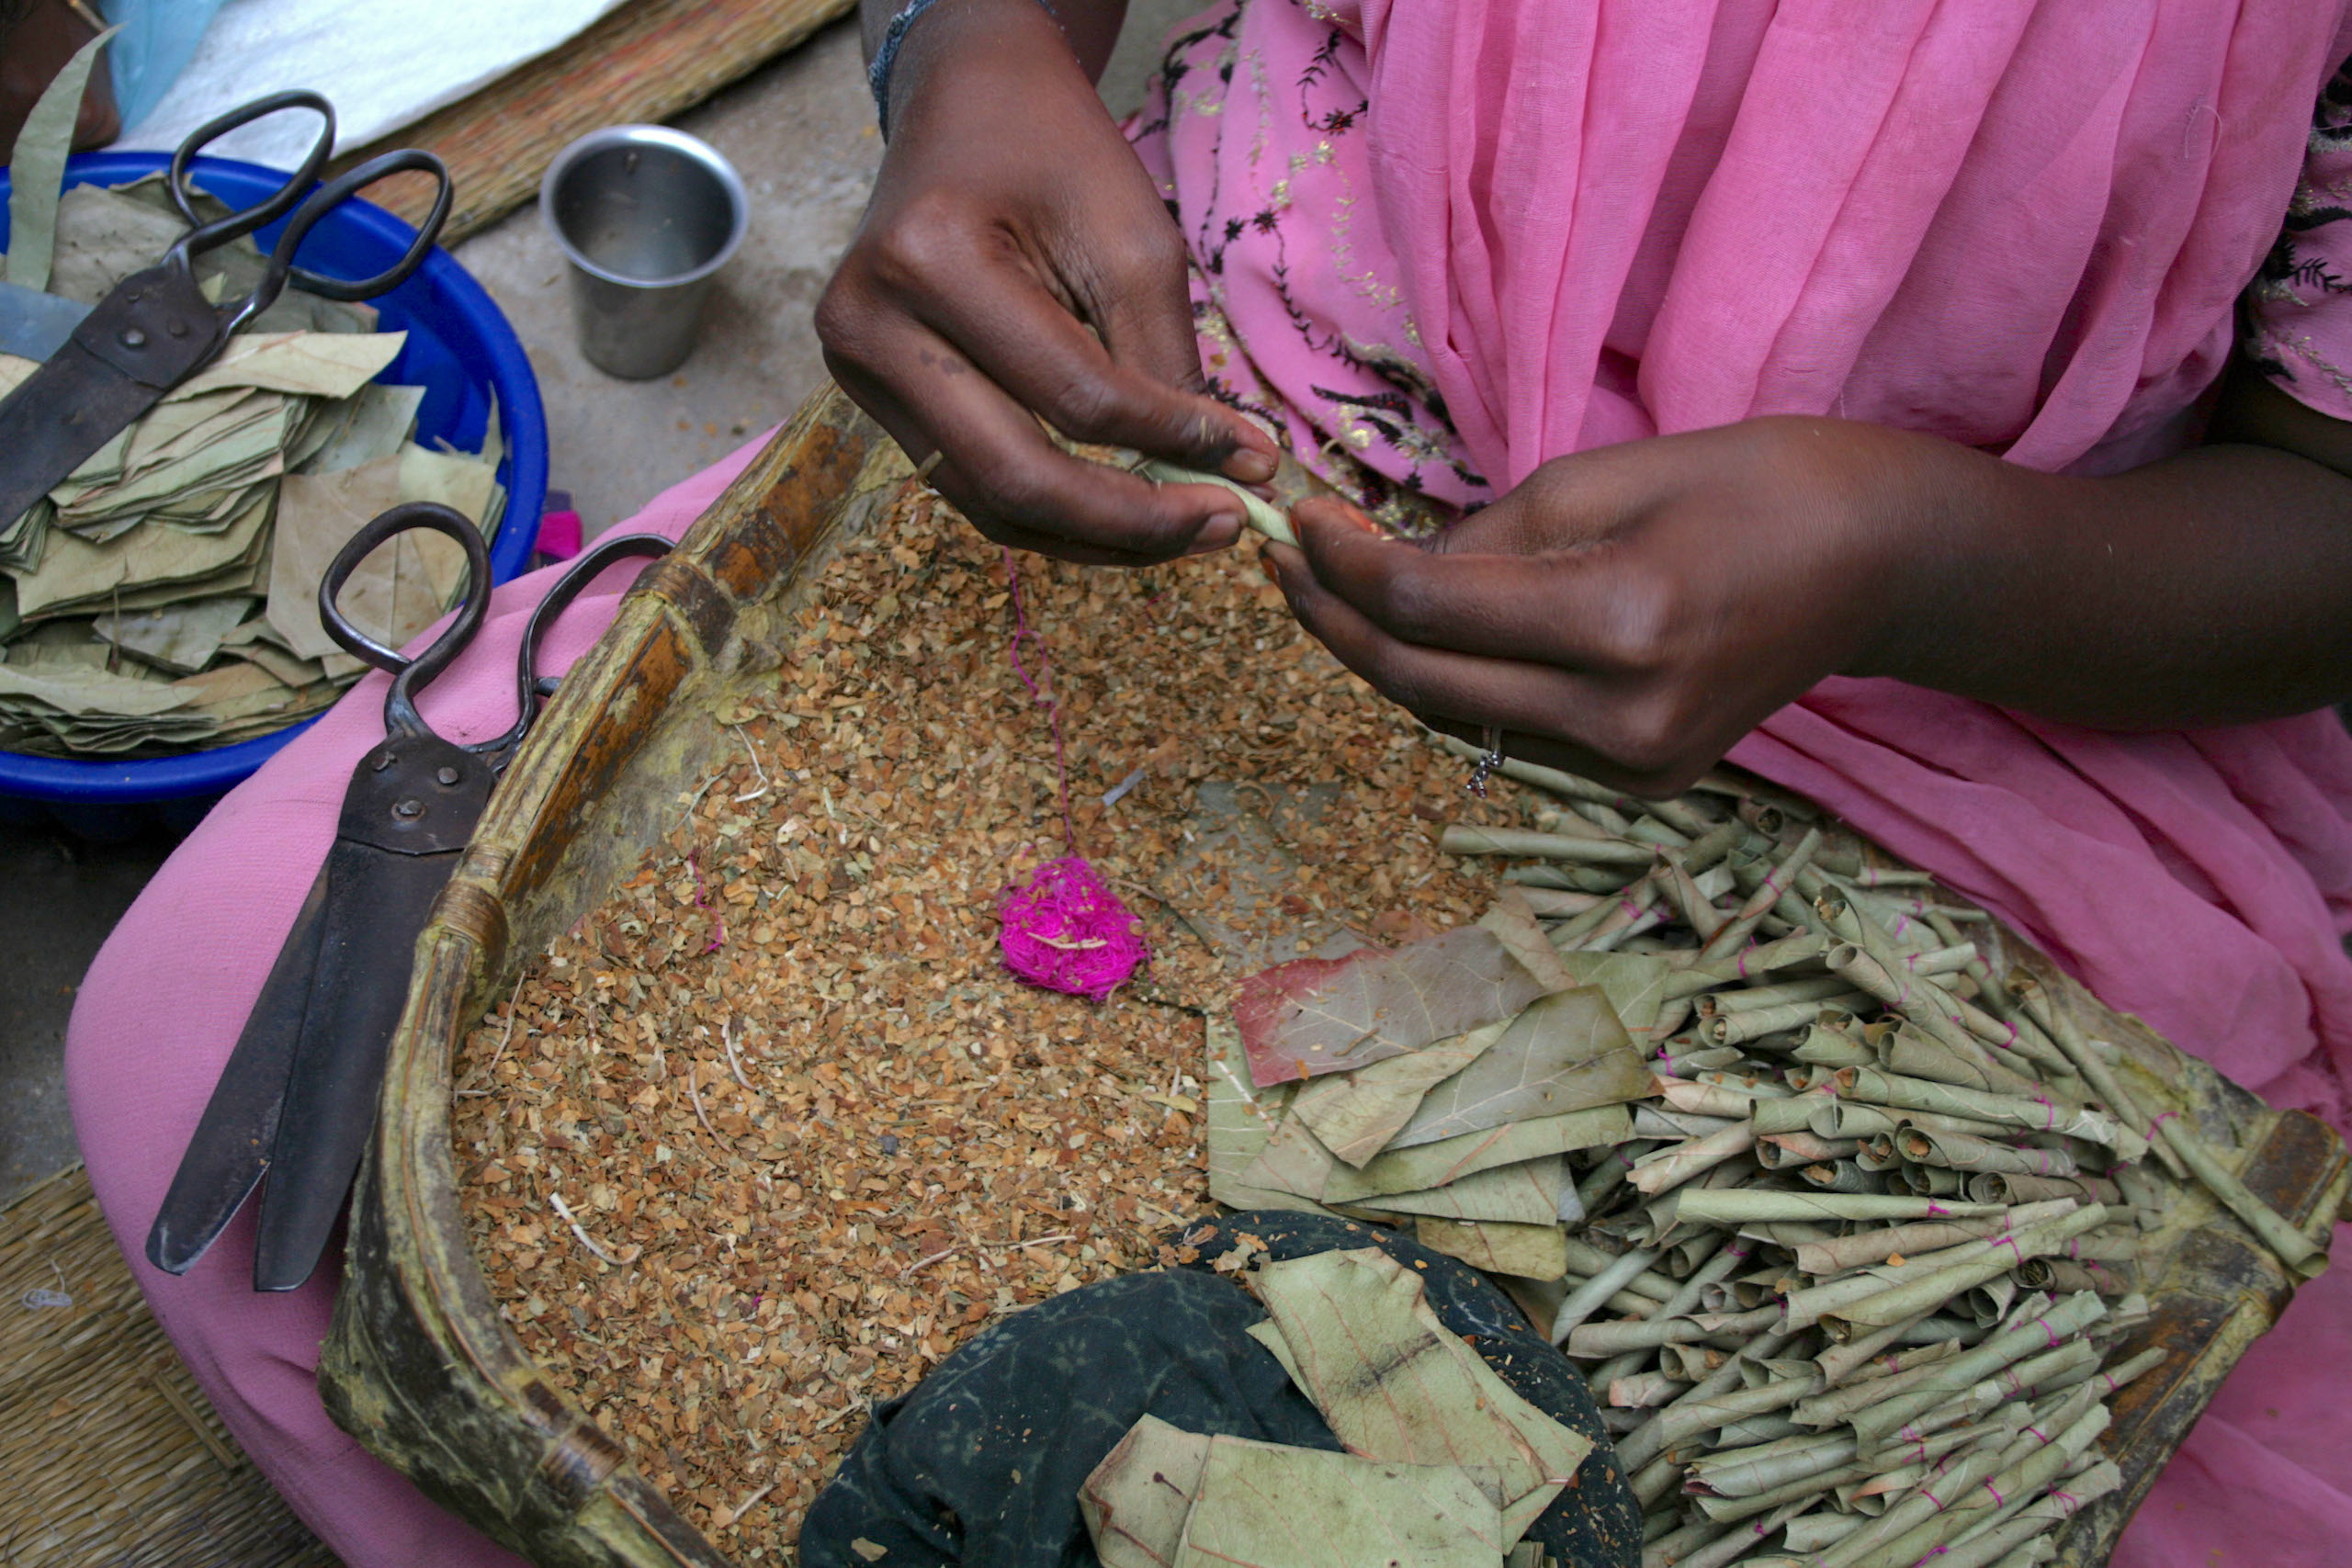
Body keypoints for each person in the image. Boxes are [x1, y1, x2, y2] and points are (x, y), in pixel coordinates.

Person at [60, 2, 2352, 1564]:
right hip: (1235, 389)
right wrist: (978, 61)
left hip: (1969, 644)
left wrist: (1903, 550)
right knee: (213, 1086)